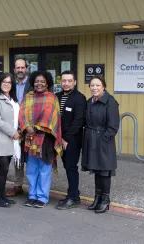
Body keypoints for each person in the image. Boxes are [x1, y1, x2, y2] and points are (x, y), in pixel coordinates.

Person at [19, 70, 62, 208]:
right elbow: (22, 115)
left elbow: (51, 117)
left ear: (47, 83)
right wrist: (27, 127)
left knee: (44, 168)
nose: (39, 84)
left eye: (42, 81)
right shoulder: (28, 97)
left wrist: (36, 128)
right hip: (30, 138)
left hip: (46, 139)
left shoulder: (52, 97)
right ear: (33, 83)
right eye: (37, 81)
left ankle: (42, 197)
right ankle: (32, 195)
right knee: (31, 168)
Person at [81, 76, 120, 213]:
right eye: (92, 85)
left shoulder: (110, 102)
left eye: (97, 85)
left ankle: (105, 199)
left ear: (103, 86)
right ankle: (97, 197)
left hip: (104, 141)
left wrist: (104, 140)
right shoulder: (89, 102)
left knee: (104, 171)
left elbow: (113, 126)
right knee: (96, 170)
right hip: (91, 139)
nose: (94, 88)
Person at [0, 73, 20, 207]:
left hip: (12, 140)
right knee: (4, 168)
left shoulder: (13, 99)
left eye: (9, 82)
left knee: (4, 170)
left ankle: (2, 196)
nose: (6, 84)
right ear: (0, 83)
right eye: (4, 81)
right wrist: (13, 132)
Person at [55, 71, 86, 210]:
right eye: (64, 81)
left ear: (75, 82)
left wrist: (66, 139)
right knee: (67, 166)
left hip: (71, 140)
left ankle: (73, 197)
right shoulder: (57, 96)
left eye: (69, 81)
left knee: (71, 167)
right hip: (59, 139)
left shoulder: (79, 98)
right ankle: (73, 193)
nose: (66, 83)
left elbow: (79, 121)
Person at [6, 58, 33, 197]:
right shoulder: (10, 84)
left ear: (26, 68)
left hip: (30, 126)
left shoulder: (33, 83)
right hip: (15, 126)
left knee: (32, 157)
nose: (20, 70)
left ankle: (34, 187)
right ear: (14, 69)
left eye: (23, 67)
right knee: (18, 156)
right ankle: (18, 185)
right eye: (18, 68)